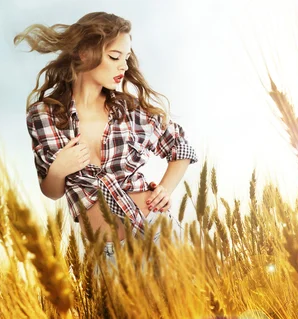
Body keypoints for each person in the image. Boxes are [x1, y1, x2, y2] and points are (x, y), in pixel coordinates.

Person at [16, 12, 198, 263]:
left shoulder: (128, 110)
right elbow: (52, 191)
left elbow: (180, 148)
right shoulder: (44, 114)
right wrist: (59, 169)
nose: (123, 66)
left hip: (159, 233)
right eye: (114, 57)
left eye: (126, 57)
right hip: (107, 255)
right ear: (83, 53)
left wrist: (165, 189)